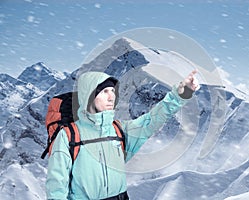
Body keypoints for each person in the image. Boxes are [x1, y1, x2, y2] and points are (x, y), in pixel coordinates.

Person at [46, 69, 200, 200]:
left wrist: (181, 94)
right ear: (89, 95)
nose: (111, 96)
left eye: (113, 91)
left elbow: (151, 120)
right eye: (104, 91)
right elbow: (57, 185)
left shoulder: (119, 129)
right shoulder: (69, 135)